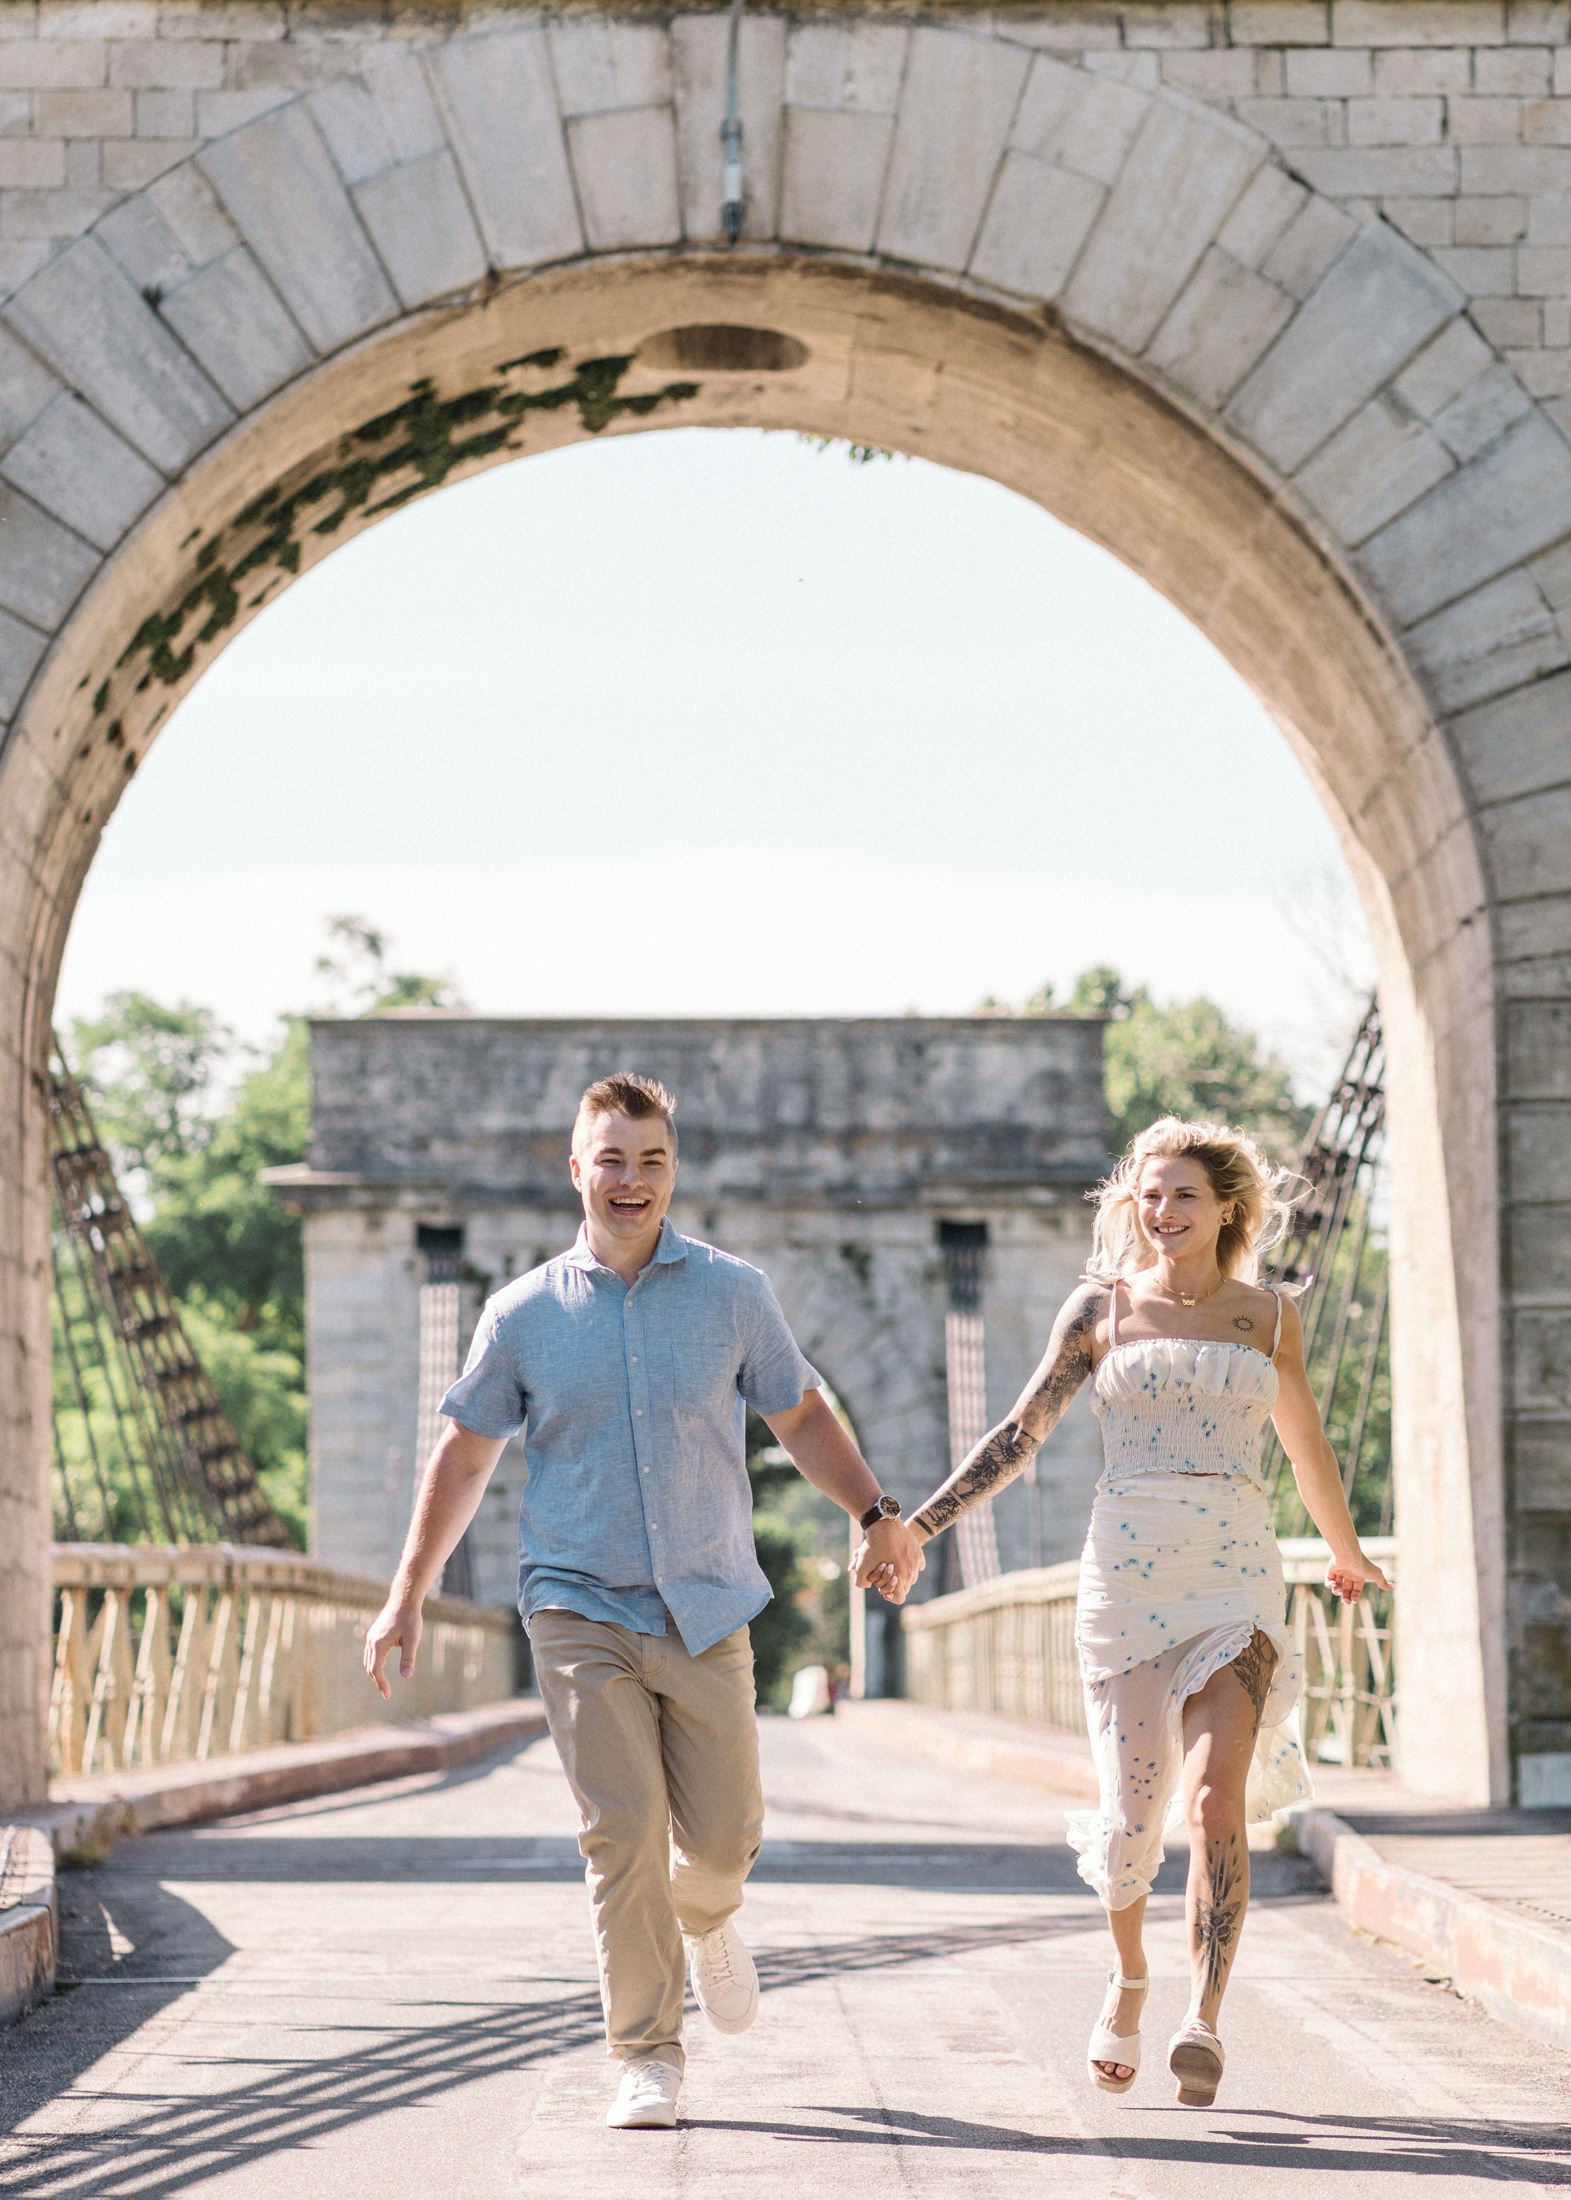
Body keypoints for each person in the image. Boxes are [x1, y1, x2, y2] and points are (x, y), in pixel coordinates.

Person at [365, 1072, 924, 2130]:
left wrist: (874, 1510)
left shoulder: (733, 1294)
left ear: (674, 1170)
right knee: (618, 1832)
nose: (631, 1179)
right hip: (576, 1603)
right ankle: (646, 2053)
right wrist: (407, 1595)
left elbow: (802, 1414)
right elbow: (464, 1452)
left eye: (650, 1159)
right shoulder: (520, 1313)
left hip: (706, 1605)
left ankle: (707, 1916)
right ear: (576, 1170)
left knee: (717, 1844)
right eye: (610, 1159)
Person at [859, 1116, 1389, 2109]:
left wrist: (1347, 1549)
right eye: (1147, 1193)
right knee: (1131, 1818)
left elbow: (1303, 1440)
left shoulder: (1267, 1317)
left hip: (1233, 1571)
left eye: (1182, 1193)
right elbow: (1019, 1431)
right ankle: (1130, 1975)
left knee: (1209, 1799)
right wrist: (919, 1527)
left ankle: (1202, 2018)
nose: (1161, 1211)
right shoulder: (1098, 1309)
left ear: (1226, 1206)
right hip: (1125, 1580)